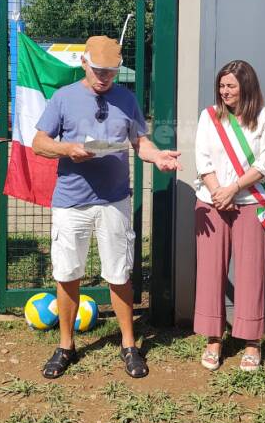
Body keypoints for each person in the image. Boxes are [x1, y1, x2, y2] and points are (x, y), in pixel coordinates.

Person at [32, 35, 181, 379]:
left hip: (115, 201)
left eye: (111, 72)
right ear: (84, 63)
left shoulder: (126, 99)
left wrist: (157, 155)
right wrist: (68, 150)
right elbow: (39, 142)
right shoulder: (64, 98)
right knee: (68, 273)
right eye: (99, 70)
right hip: (71, 202)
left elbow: (139, 141)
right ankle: (65, 346)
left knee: (119, 273)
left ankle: (129, 345)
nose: (104, 78)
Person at [194, 60, 265, 372]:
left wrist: (234, 189)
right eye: (221, 85)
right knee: (211, 271)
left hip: (250, 202)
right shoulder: (209, 116)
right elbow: (202, 159)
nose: (224, 91)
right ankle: (214, 337)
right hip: (211, 201)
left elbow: (264, 164)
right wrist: (218, 191)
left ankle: (252, 341)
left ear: (247, 87)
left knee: (251, 273)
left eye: (230, 86)